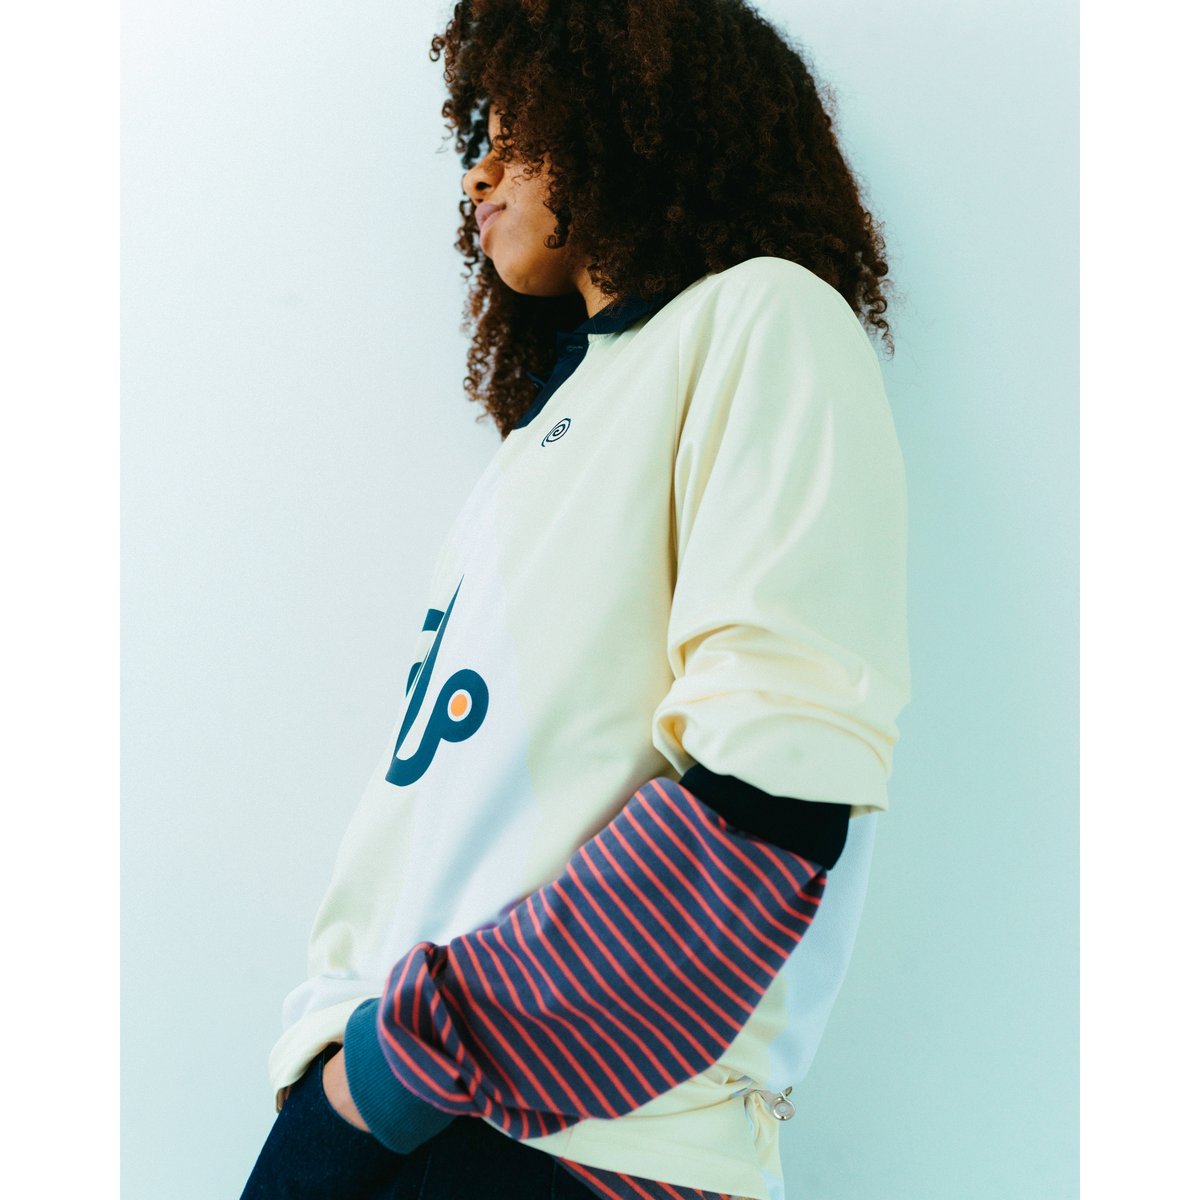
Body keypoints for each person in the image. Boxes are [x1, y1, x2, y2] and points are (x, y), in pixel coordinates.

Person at [239, 2, 910, 1198]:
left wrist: (392, 1075)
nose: (478, 172)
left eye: (516, 129)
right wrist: (342, 1088)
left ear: (623, 114)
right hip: (384, 1109)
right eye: (475, 139)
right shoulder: (537, 436)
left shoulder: (764, 316)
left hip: (558, 1133)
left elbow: (774, 791)